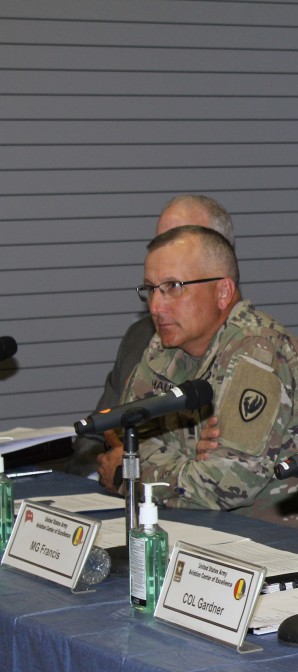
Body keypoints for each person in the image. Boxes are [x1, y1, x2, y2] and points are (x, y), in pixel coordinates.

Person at [96, 225, 298, 529]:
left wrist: (129, 477)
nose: (155, 306)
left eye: (173, 286)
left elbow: (225, 485)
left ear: (222, 292)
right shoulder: (165, 347)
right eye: (151, 289)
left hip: (272, 541)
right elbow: (125, 438)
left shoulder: (259, 353)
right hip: (191, 529)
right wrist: (191, 462)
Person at [66, 195, 236, 477]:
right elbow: (94, 436)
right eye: (160, 241)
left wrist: (133, 469)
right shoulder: (141, 337)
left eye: (182, 240)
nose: (165, 252)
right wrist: (108, 472)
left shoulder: (251, 349)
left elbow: (221, 473)